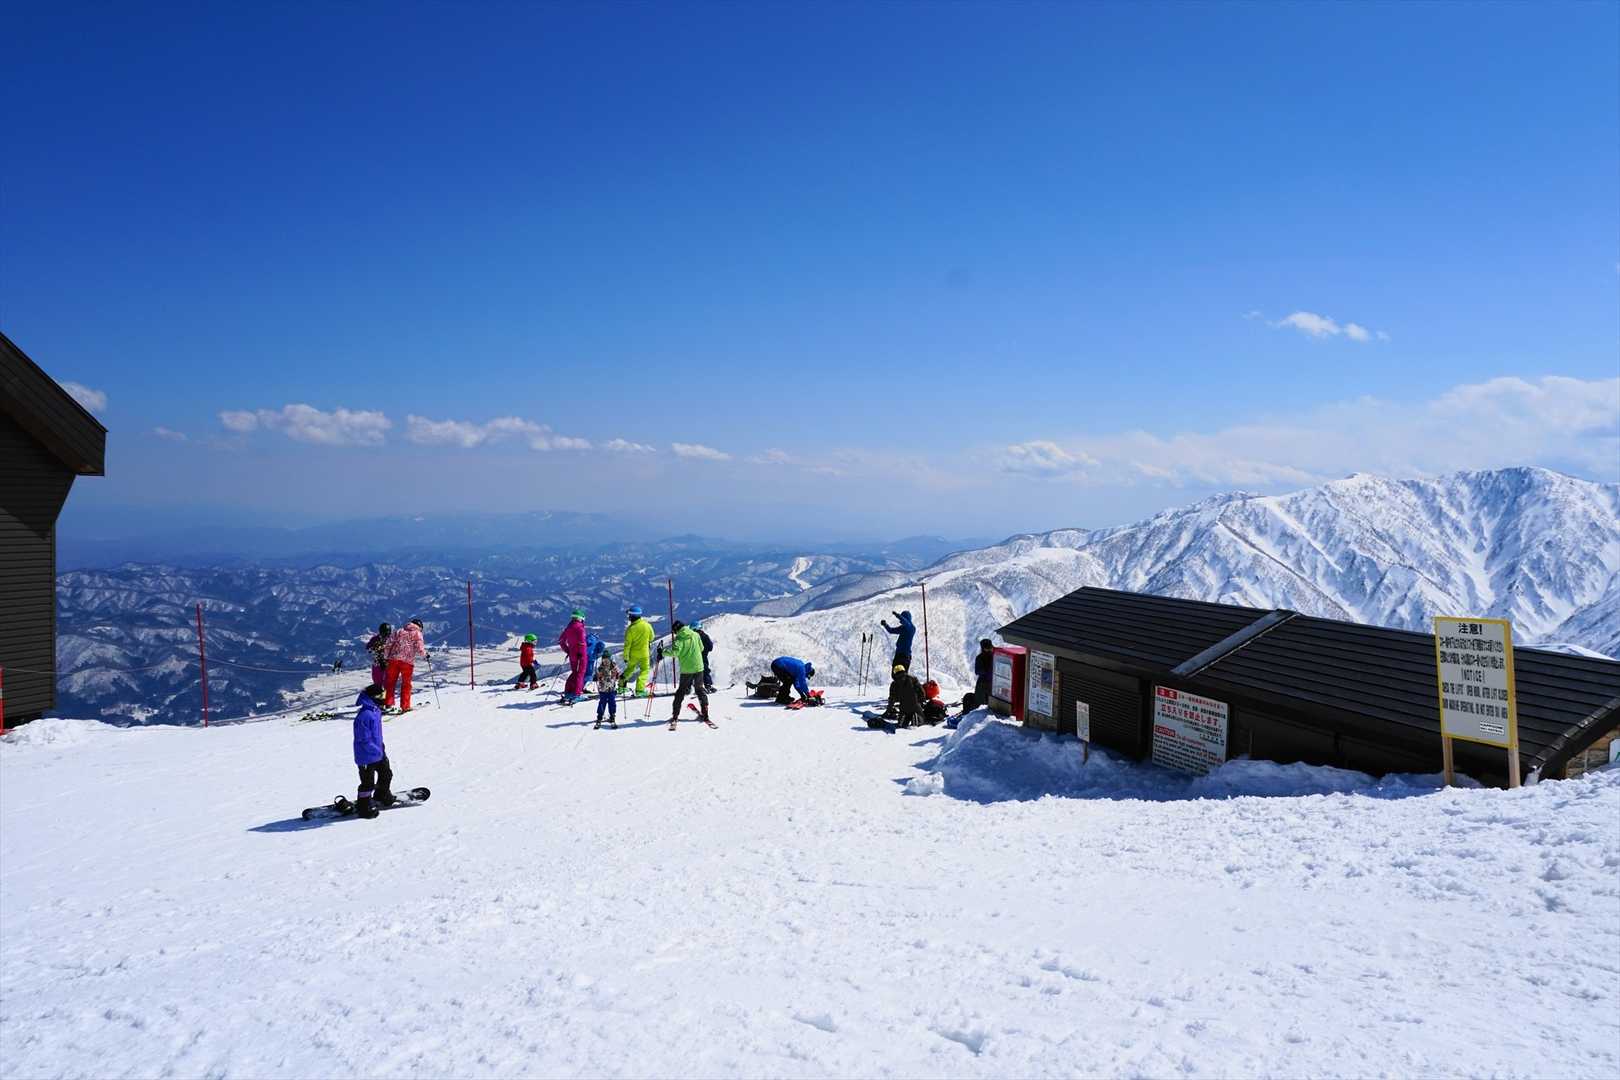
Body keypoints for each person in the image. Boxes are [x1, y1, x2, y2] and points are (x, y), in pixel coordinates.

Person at [352, 682, 393, 819]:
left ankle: (381, 795)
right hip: (366, 755)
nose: (384, 698)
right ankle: (363, 806)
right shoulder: (364, 715)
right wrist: (376, 750)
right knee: (367, 783)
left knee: (386, 774)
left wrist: (380, 747)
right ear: (374, 697)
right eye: (382, 695)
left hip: (378, 751)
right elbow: (363, 739)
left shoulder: (376, 711)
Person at [668, 620, 710, 723]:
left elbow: (674, 652)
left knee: (681, 691)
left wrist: (662, 653)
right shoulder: (695, 635)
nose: (675, 634)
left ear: (676, 630)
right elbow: (701, 648)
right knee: (700, 689)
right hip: (699, 667)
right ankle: (705, 712)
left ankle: (675, 715)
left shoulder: (679, 639)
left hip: (687, 669)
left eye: (674, 632)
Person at [384, 617, 427, 712]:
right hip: (407, 662)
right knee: (406, 684)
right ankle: (405, 706)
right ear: (420, 627)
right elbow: (420, 648)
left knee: (390, 683)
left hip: (393, 660)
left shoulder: (399, 631)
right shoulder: (417, 633)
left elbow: (388, 644)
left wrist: (386, 656)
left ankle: (388, 704)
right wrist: (425, 655)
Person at [620, 605, 653, 697]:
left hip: (633, 654)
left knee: (630, 669)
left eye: (629, 615)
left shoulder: (630, 629)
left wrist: (625, 656)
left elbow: (627, 645)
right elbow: (652, 637)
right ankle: (639, 690)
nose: (628, 617)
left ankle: (621, 686)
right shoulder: (647, 625)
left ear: (632, 616)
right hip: (644, 653)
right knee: (644, 670)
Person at [558, 610, 589, 704]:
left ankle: (568, 692)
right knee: (580, 674)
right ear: (580, 618)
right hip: (581, 655)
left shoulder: (568, 628)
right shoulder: (580, 628)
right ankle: (577, 694)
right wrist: (581, 653)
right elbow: (582, 643)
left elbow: (561, 641)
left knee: (574, 673)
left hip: (572, 654)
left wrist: (568, 650)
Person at [886, 663, 925, 727]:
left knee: (904, 718)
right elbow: (921, 692)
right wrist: (922, 701)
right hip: (915, 705)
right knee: (921, 717)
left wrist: (889, 710)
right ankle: (917, 717)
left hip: (903, 707)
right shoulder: (913, 679)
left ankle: (903, 719)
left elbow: (892, 699)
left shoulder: (894, 684)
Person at [595, 651, 621, 729]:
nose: (606, 661)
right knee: (602, 703)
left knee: (612, 702)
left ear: (610, 659)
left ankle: (612, 716)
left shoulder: (614, 667)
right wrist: (596, 677)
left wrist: (620, 677)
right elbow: (598, 676)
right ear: (602, 660)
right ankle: (599, 717)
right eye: (604, 660)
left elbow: (618, 674)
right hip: (603, 689)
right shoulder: (600, 668)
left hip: (611, 689)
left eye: (607, 659)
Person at [365, 622, 391, 688]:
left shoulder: (391, 640)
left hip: (388, 663)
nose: (385, 635)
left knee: (387, 680)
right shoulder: (375, 639)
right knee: (377, 680)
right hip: (378, 663)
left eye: (387, 633)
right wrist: (374, 648)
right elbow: (368, 648)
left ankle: (386, 691)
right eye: (384, 633)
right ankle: (379, 690)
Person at [693, 619, 716, 692]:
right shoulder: (705, 636)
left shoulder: (691, 637)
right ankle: (708, 686)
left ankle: (692, 687)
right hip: (703, 657)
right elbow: (710, 647)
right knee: (705, 670)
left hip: (693, 657)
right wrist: (705, 650)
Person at [974, 638, 995, 705]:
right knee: (982, 702)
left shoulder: (994, 655)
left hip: (990, 682)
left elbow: (977, 671)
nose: (989, 650)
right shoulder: (980, 658)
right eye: (987, 648)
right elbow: (978, 671)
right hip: (984, 682)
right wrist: (987, 671)